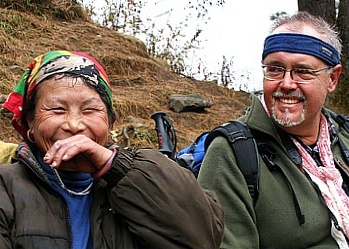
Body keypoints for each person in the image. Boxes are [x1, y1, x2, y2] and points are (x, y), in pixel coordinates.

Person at [0, 50, 224, 249]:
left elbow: (202, 239)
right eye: (57, 109)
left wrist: (116, 166)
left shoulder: (139, 181)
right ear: (29, 122)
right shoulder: (6, 187)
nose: (74, 125)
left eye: (90, 110)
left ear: (110, 123)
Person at [198, 11, 349, 249]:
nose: (287, 83)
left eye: (303, 71)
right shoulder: (234, 153)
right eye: (275, 69)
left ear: (332, 79)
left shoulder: (344, 136)